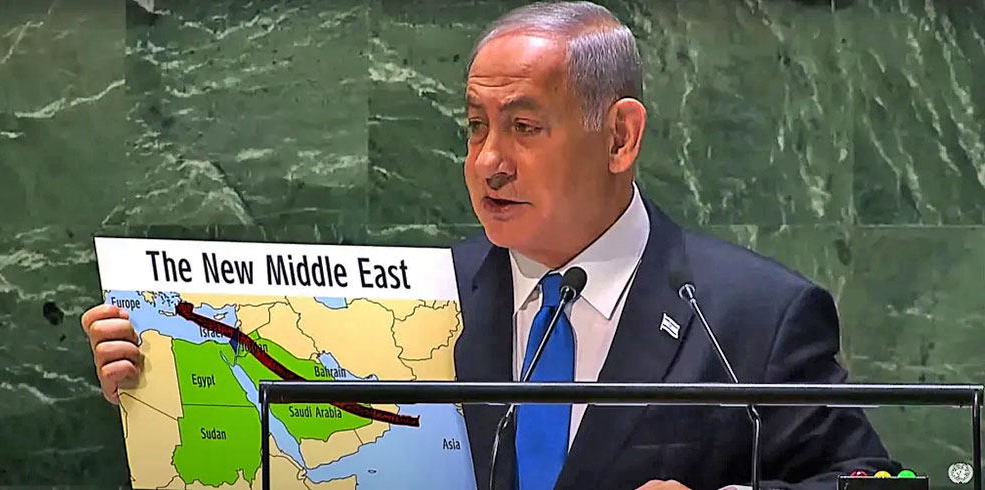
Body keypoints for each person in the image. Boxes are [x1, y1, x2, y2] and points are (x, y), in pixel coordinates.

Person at [81, 2, 899, 489]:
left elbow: (874, 481)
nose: (487, 162)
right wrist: (155, 379)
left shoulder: (754, 314)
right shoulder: (409, 302)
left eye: (524, 127)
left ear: (619, 136)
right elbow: (297, 454)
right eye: (475, 128)